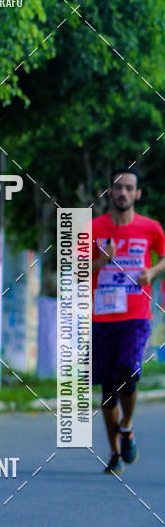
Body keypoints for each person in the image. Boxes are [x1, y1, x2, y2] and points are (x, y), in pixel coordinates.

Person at [91, 168, 165, 474]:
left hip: (136, 314)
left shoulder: (151, 228)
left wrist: (153, 272)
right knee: (108, 391)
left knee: (127, 370)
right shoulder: (94, 228)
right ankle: (115, 454)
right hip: (102, 316)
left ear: (137, 194)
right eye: (118, 187)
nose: (123, 192)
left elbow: (163, 256)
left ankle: (127, 424)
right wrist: (101, 260)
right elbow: (76, 270)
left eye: (129, 188)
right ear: (110, 192)